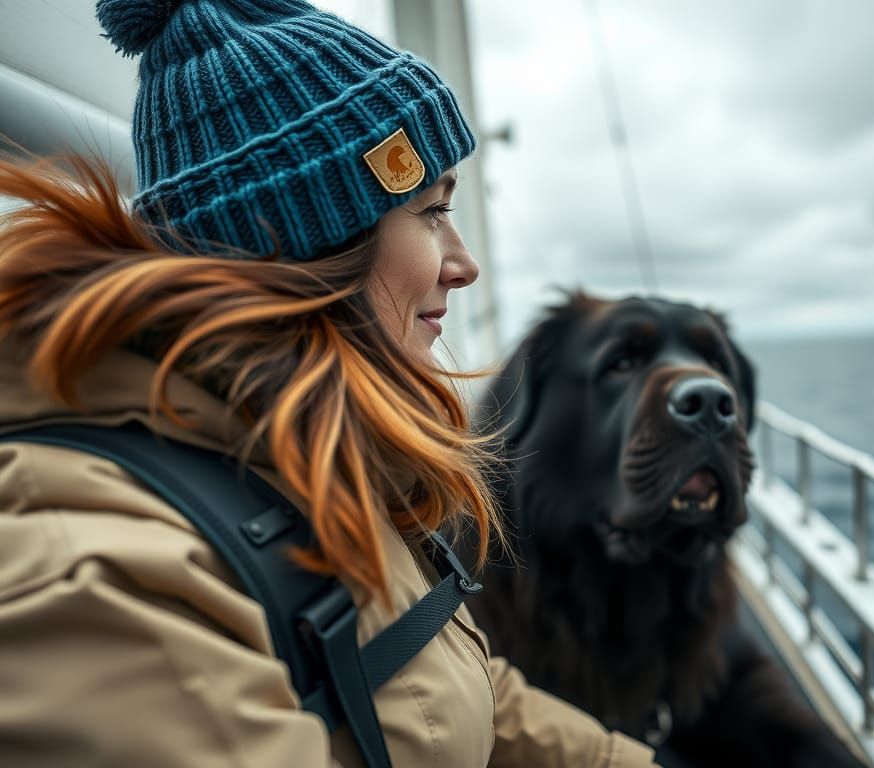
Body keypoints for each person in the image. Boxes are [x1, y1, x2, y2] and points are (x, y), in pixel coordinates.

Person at [0, 1, 660, 766]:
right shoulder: (97, 576)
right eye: (432, 212)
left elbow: (431, 684)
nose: (463, 261)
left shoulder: (304, 451)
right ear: (314, 243)